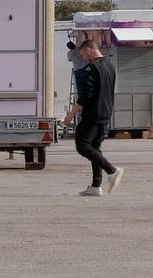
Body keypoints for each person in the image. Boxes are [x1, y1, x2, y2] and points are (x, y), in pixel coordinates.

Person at [64, 35, 122, 197]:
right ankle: (96, 186)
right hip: (105, 113)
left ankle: (112, 170)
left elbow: (86, 94)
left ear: (89, 50)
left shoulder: (92, 67)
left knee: (82, 145)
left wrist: (71, 114)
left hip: (93, 114)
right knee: (95, 149)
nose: (83, 57)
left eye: (83, 54)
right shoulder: (110, 66)